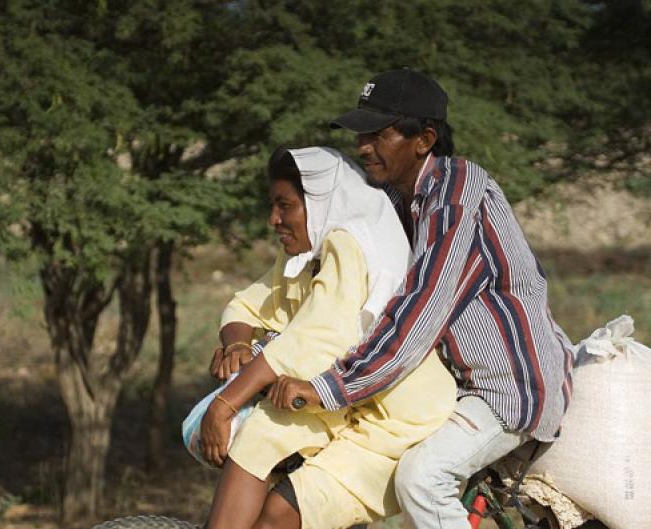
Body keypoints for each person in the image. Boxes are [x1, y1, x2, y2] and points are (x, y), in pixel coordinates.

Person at [269, 69, 576, 529]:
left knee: (421, 480)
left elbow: (421, 305)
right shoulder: (395, 201)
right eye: (360, 134)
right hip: (449, 387)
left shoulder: (456, 190)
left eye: (378, 134)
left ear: (424, 138)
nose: (363, 146)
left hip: (507, 388)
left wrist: (332, 386)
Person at [198, 146, 457, 529]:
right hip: (335, 404)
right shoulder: (303, 255)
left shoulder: (350, 247)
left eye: (285, 206)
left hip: (391, 426)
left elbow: (312, 341)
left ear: (319, 204)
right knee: (256, 439)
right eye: (273, 206)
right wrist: (237, 344)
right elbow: (247, 307)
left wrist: (225, 404)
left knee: (277, 515)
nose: (274, 220)